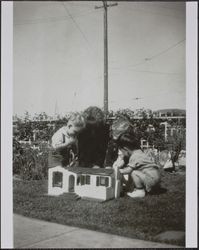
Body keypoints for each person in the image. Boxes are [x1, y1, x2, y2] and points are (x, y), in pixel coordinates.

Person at [113, 132, 161, 198]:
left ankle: (140, 191)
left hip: (151, 179)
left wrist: (119, 170)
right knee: (137, 171)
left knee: (134, 172)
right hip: (156, 177)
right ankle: (149, 188)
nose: (123, 154)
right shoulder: (140, 152)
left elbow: (128, 170)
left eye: (122, 152)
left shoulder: (134, 156)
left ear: (125, 149)